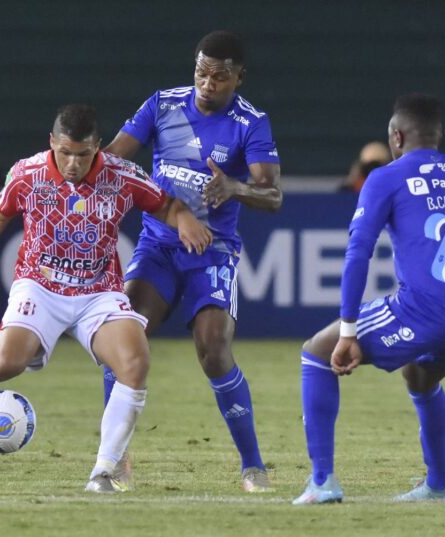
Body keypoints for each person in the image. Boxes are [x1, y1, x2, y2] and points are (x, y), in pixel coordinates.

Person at [0, 104, 211, 494]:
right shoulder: (28, 174)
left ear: (98, 147)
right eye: (65, 152)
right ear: (52, 143)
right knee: (6, 363)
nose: (73, 163)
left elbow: (164, 203)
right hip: (40, 286)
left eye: (83, 154)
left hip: (98, 291)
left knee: (135, 362)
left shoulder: (122, 175)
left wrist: (183, 218)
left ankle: (104, 471)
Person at [293, 93, 445, 505]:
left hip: (425, 311)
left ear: (397, 136)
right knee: (420, 377)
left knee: (317, 353)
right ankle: (440, 485)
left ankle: (322, 483)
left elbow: (358, 253)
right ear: (438, 136)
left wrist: (348, 331)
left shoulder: (386, 177)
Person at [101, 30, 282, 493]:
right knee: (124, 335)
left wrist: (235, 188)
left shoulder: (250, 123)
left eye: (220, 76)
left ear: (239, 78)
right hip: (159, 245)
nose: (207, 82)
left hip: (213, 251)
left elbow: (273, 194)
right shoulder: (162, 104)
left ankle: (252, 465)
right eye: (201, 71)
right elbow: (114, 159)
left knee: (213, 347)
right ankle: (115, 458)